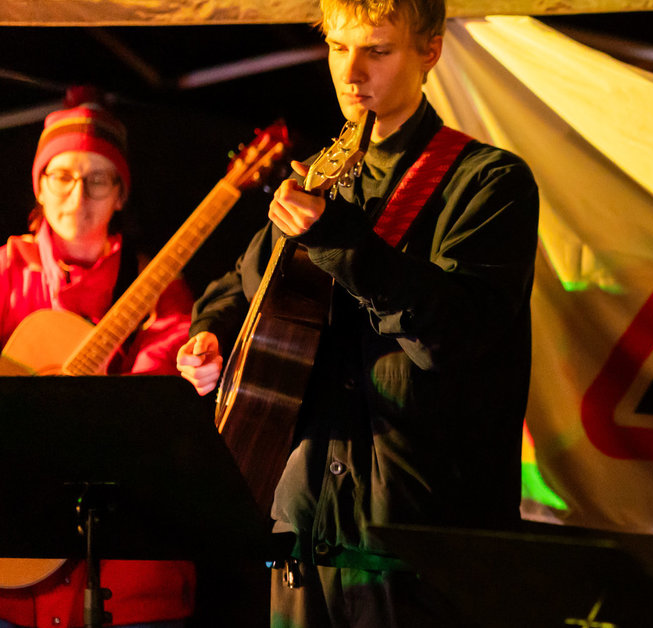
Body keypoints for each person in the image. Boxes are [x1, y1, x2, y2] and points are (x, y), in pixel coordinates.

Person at [175, 0, 539, 624]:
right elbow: (239, 284)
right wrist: (209, 336)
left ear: (429, 51)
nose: (350, 73)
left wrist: (338, 241)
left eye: (377, 50)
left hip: (421, 547)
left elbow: (457, 333)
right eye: (338, 48)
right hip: (301, 531)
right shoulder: (323, 177)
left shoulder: (489, 181)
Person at [0, 97, 195, 626]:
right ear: (39, 186)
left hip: (129, 586)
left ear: (122, 193)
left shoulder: (158, 285)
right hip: (14, 581)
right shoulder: (6, 270)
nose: (78, 196)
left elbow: (156, 406)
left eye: (98, 180)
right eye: (62, 176)